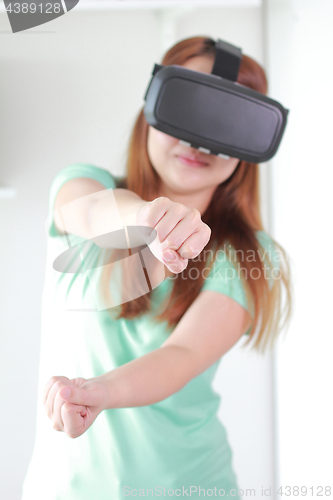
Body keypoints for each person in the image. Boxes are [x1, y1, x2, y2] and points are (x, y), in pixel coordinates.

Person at [21, 36, 292, 500]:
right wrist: (144, 220)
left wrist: (100, 392)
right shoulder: (83, 185)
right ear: (153, 103)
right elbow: (89, 213)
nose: (197, 139)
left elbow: (181, 357)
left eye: (224, 118)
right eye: (188, 106)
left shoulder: (249, 253)